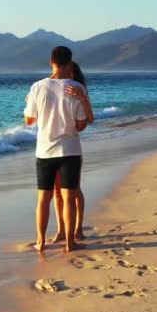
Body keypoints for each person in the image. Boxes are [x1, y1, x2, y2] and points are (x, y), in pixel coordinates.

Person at [23, 47, 89, 252]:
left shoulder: (37, 87)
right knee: (68, 197)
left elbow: (29, 121)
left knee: (43, 199)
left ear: (51, 61)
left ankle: (41, 242)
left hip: (45, 151)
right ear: (70, 63)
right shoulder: (76, 87)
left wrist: (29, 104)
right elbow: (80, 125)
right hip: (70, 150)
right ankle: (70, 243)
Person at [51, 62, 95, 243]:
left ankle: (78, 228)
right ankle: (61, 229)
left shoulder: (79, 91)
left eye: (69, 72)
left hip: (72, 148)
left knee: (74, 190)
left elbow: (89, 120)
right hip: (52, 148)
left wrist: (82, 98)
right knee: (56, 191)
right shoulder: (53, 89)